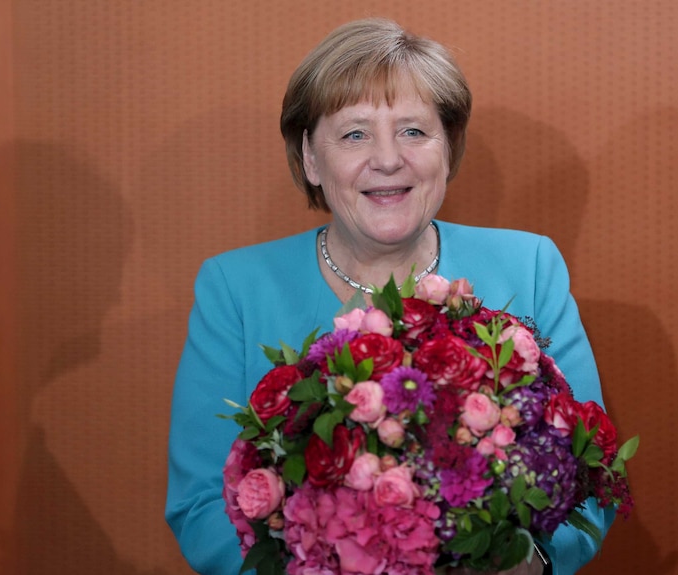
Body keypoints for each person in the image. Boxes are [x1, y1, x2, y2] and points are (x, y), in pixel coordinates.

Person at [165, 17, 615, 575]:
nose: (387, 159)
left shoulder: (530, 266)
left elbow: (590, 479)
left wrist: (526, 562)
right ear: (310, 157)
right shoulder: (233, 287)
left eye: (413, 131)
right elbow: (201, 504)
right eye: (355, 133)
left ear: (447, 148)